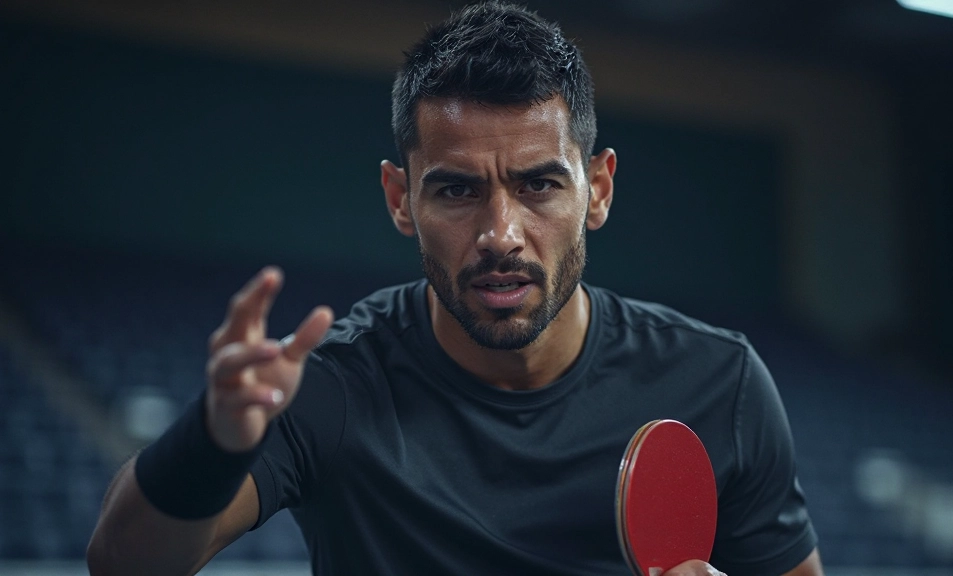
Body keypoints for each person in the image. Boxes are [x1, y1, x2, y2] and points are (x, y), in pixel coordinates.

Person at [87, 2, 824, 575]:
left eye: (539, 184)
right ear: (400, 199)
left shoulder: (718, 384)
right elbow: (122, 564)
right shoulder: (334, 389)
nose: (500, 233)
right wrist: (213, 440)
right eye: (457, 191)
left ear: (597, 190)